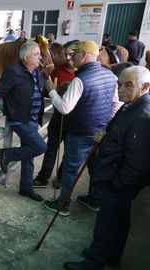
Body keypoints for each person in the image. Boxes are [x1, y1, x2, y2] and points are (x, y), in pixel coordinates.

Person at [63, 66, 150, 270]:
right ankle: (109, 255)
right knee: (118, 225)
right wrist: (105, 137)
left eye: (128, 85)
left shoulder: (143, 116)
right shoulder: (131, 105)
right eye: (119, 84)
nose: (120, 90)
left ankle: (93, 264)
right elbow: (122, 136)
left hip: (120, 186)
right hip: (118, 182)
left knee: (106, 226)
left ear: (145, 86)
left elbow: (137, 164)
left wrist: (114, 185)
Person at [42, 40, 122, 216]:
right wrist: (106, 124)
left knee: (70, 169)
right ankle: (94, 200)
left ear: (84, 55)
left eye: (74, 54)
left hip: (80, 133)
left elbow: (64, 108)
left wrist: (51, 91)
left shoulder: (80, 80)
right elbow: (116, 104)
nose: (70, 58)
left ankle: (63, 205)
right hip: (100, 133)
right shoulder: (111, 76)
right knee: (96, 168)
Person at [0, 41, 47, 202]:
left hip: (33, 118)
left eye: (39, 54)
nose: (40, 57)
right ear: (25, 57)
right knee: (40, 146)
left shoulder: (37, 71)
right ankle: (7, 154)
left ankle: (26, 188)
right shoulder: (13, 71)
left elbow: (41, 89)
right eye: (36, 54)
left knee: (29, 152)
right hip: (19, 119)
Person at [33, 40, 78, 188]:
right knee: (51, 149)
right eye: (65, 55)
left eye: (71, 54)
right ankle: (43, 177)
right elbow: (48, 89)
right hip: (59, 116)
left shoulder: (83, 74)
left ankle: (60, 179)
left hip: (75, 119)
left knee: (69, 152)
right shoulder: (58, 70)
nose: (68, 58)